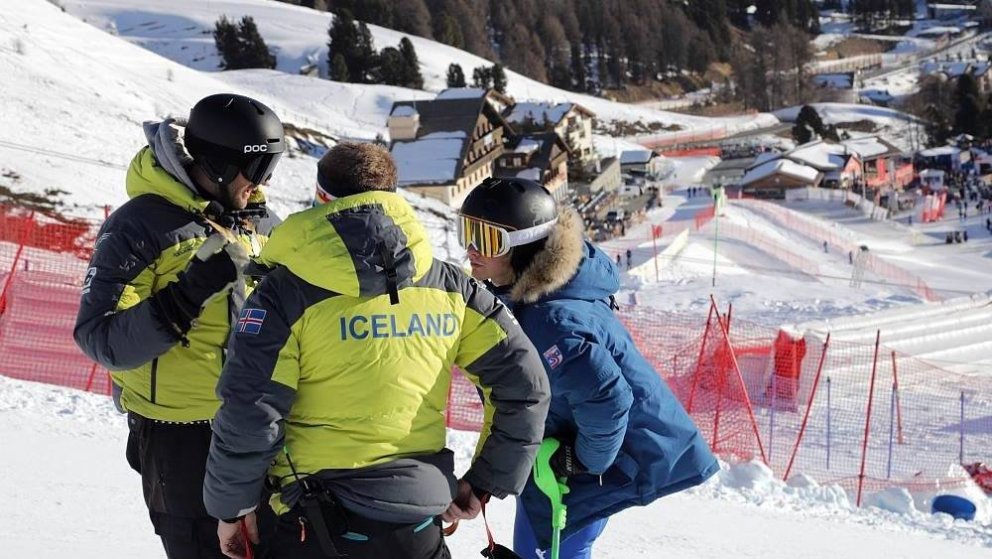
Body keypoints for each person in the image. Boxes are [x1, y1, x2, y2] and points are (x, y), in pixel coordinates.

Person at [203, 143, 551, 559]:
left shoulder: (284, 293)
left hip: (311, 522)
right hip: (417, 524)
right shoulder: (451, 287)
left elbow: (250, 408)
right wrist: (484, 481)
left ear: (323, 197)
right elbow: (524, 385)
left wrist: (232, 509)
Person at [458, 177, 719, 559]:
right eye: (467, 230)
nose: (471, 248)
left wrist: (583, 461)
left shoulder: (550, 319)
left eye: (488, 238)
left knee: (552, 549)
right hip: (554, 456)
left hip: (591, 463)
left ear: (525, 245)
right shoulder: (525, 293)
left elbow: (609, 398)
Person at [74, 93, 286, 558]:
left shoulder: (262, 223)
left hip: (257, 425)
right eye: (257, 170)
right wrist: (185, 296)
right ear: (219, 165)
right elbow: (99, 336)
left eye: (270, 169)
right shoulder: (141, 225)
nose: (263, 183)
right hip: (180, 435)